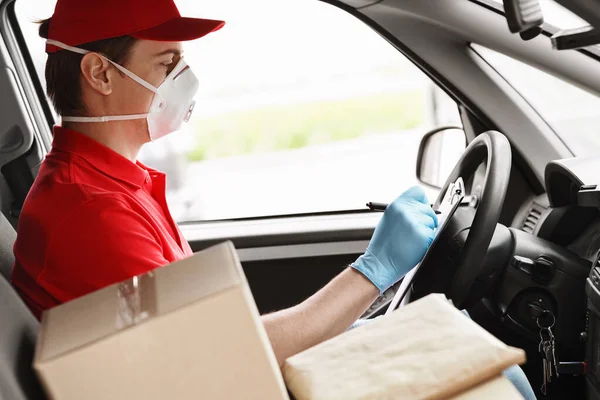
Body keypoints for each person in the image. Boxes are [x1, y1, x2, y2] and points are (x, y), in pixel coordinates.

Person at [9, 0, 535, 398]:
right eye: (167, 63)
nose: (185, 81)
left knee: (475, 354)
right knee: (496, 374)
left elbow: (207, 343)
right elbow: (219, 361)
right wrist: (372, 272)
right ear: (100, 73)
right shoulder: (90, 212)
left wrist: (358, 322)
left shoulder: (110, 183)